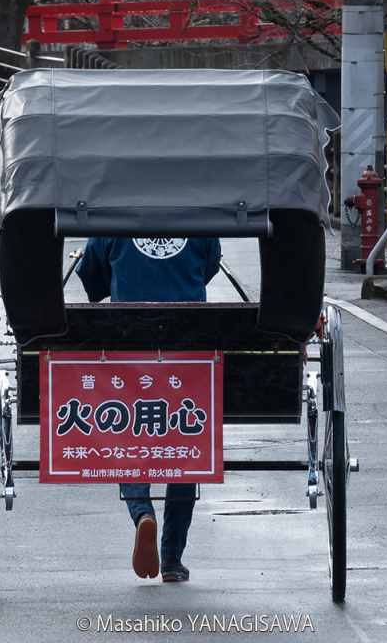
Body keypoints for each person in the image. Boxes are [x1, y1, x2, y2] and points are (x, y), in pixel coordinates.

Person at [76, 236, 221, 582]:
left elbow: (91, 277)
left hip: (130, 354)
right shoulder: (201, 214)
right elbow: (210, 265)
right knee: (185, 440)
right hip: (189, 354)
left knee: (130, 430)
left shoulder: (111, 213)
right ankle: (171, 558)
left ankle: (142, 513)